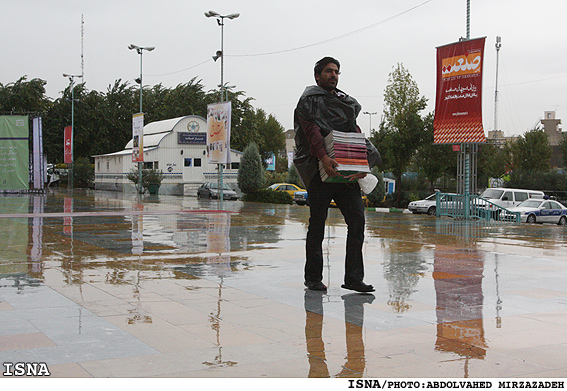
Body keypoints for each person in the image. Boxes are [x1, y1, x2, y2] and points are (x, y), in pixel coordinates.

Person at [294, 56, 378, 293]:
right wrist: (323, 158)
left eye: (337, 72)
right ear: (317, 75)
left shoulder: (345, 103)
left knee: (357, 221)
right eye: (329, 71)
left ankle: (353, 279)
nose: (334, 75)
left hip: (344, 174)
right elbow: (312, 133)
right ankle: (313, 278)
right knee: (317, 224)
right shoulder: (308, 101)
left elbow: (354, 131)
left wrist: (362, 165)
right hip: (320, 171)